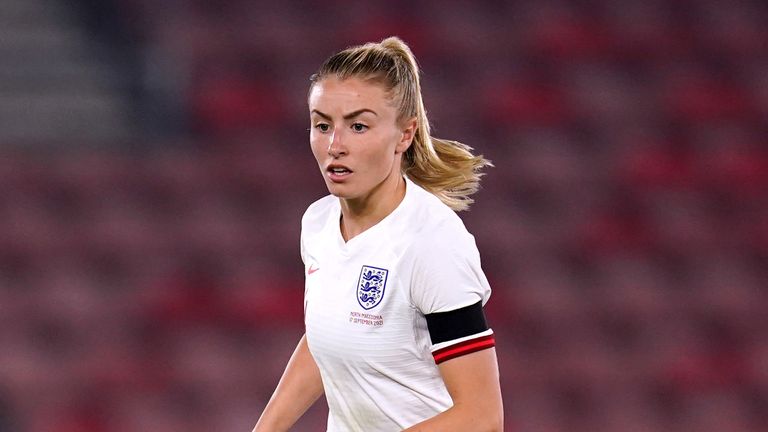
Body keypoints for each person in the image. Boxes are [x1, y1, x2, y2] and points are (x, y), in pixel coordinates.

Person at [253, 36, 503, 432]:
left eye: (358, 126)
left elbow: (482, 418)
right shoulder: (317, 224)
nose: (335, 145)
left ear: (404, 135)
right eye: (322, 125)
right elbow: (327, 341)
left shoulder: (431, 243)